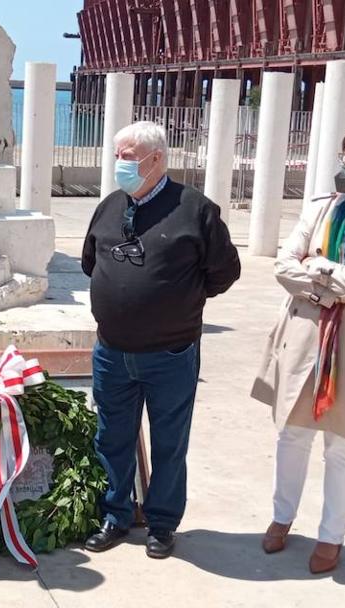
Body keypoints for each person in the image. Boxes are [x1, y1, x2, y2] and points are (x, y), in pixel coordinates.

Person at [81, 121, 240, 559]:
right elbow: (90, 262)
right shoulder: (109, 206)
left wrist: (176, 301)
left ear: (157, 160)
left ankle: (162, 524)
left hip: (171, 353)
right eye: (117, 154)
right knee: (111, 436)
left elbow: (224, 273)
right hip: (112, 351)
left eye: (129, 157)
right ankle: (115, 516)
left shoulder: (196, 210)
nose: (120, 164)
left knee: (169, 442)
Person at [252, 128, 345, 574]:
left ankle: (331, 537)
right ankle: (282, 516)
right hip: (304, 337)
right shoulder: (321, 209)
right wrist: (332, 287)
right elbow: (283, 266)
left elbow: (310, 269)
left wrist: (321, 270)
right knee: (291, 435)